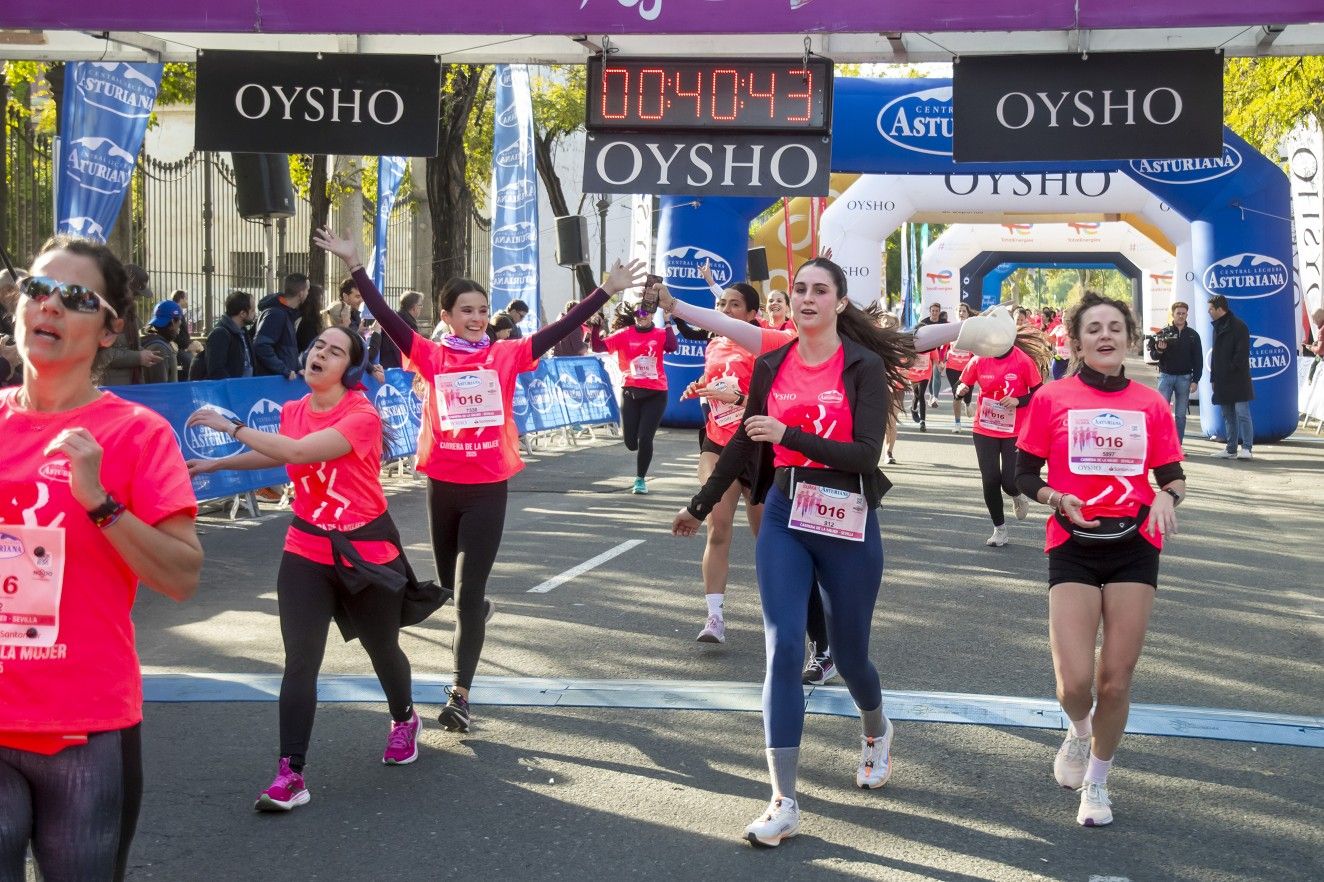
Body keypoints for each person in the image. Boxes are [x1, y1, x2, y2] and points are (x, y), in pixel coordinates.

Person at [314, 226, 645, 732]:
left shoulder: (505, 355)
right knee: (453, 590)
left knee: (467, 597)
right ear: (446, 316)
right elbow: (384, 316)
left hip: (488, 488)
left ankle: (460, 695)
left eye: (481, 309)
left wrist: (605, 290)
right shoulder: (430, 355)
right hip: (442, 486)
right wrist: (355, 264)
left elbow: (558, 330)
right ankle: (474, 612)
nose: (475, 318)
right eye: (465, 310)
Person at [671, 257, 912, 847]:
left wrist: (790, 436)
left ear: (840, 303)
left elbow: (864, 454)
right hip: (784, 511)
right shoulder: (772, 364)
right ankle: (783, 800)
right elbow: (744, 441)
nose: (807, 298)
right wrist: (700, 504)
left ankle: (876, 728)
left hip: (846, 515)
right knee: (782, 649)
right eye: (799, 288)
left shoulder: (862, 365)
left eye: (819, 290)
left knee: (850, 657)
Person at [0, 235, 201, 881]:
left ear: (110, 330)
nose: (49, 306)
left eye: (77, 298)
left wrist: (100, 502)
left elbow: (182, 575)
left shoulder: (136, 434)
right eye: (38, 288)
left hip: (85, 722)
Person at [187, 325, 443, 811]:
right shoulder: (294, 411)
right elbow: (280, 452)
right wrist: (218, 466)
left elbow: (300, 452)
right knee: (301, 662)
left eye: (335, 351)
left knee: (382, 648)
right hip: (306, 548)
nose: (320, 353)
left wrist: (230, 426)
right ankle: (290, 774)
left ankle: (404, 717)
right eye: (318, 346)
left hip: (365, 552)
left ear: (349, 368)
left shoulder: (362, 416)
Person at [1015, 289, 1186, 828]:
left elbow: (1173, 477)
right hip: (1072, 544)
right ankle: (1079, 729)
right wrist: (1055, 498)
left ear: (1130, 338)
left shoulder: (1151, 403)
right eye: (1094, 328)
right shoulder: (1052, 398)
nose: (1105, 335)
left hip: (1135, 545)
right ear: (1077, 342)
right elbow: (1022, 475)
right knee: (1074, 685)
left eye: (1115, 327)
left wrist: (1167, 496)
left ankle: (1097, 781)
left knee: (1115, 679)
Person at [675, 282, 765, 643]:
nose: (725, 310)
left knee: (767, 539)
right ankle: (714, 617)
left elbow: (773, 401)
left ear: (752, 314)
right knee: (718, 528)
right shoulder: (714, 343)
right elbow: (715, 381)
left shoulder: (764, 346)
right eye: (722, 304)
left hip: (757, 448)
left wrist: (739, 398)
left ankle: (781, 612)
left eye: (734, 305)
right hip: (717, 444)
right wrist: (699, 388)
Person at [954, 318, 1050, 547]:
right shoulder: (978, 360)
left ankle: (1016, 495)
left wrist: (1018, 400)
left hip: (1014, 430)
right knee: (990, 479)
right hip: (984, 427)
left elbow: (1039, 394)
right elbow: (962, 384)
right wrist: (961, 390)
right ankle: (1000, 530)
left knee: (1009, 481)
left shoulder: (1022, 360)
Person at [591, 290, 678, 494]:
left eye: (645, 312)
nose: (641, 316)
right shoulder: (625, 334)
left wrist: (667, 322)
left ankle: (640, 479)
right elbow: (598, 347)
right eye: (638, 313)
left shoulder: (660, 334)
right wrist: (595, 327)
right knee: (631, 442)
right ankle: (637, 447)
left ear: (652, 314)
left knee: (645, 438)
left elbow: (672, 346)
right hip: (631, 392)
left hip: (656, 393)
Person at [1206, 294, 1254, 460]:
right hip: (1222, 380)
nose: (1208, 312)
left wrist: (1230, 370)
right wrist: (1213, 378)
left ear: (1220, 309)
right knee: (1228, 416)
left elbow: (1241, 354)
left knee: (1242, 414)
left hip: (1238, 379)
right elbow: (1215, 355)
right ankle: (1231, 449)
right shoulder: (1216, 327)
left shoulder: (1239, 326)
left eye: (1211, 309)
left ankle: (1247, 448)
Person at [1147, 301, 1202, 443]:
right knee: (1162, 412)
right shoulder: (1163, 333)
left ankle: (1177, 446)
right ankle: (1162, 444)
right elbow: (1153, 356)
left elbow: (1198, 360)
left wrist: (1196, 380)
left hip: (1185, 378)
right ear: (1173, 314)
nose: (1181, 316)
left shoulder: (1193, 335)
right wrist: (1160, 350)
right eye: (1178, 313)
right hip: (1165, 377)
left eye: (1183, 313)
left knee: (1180, 415)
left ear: (1187, 315)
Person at [99, 264, 161, 386]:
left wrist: (146, 354)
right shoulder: (105, 313)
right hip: (111, 387)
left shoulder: (130, 315)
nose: (136, 299)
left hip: (131, 385)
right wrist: (138, 357)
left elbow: (129, 347)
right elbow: (102, 355)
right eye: (135, 294)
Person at [254, 273, 308, 379]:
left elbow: (286, 350)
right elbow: (261, 346)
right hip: (274, 380)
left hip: (281, 379)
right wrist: (283, 370)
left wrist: (297, 368)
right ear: (301, 294)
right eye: (307, 290)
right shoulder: (276, 314)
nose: (308, 293)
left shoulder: (286, 314)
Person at [205, 290, 256, 379]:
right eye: (253, 310)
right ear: (243, 313)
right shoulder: (220, 334)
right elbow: (216, 370)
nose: (255, 314)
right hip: (233, 387)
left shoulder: (243, 332)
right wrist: (233, 386)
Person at [945, 303, 975, 432]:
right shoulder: (951, 329)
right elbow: (944, 346)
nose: (961, 313)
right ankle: (957, 424)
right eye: (959, 311)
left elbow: (976, 348)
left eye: (964, 311)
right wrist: (941, 360)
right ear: (956, 314)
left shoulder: (971, 329)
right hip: (951, 367)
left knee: (967, 392)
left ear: (968, 314)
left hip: (968, 367)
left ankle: (968, 403)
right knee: (957, 394)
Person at [139, 300, 183, 383]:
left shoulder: (151, 342)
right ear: (173, 322)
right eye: (180, 320)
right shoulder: (160, 349)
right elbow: (160, 387)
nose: (180, 325)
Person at [379, 291, 423, 369]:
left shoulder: (396, 319)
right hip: (396, 369)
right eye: (420, 305)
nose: (421, 308)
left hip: (386, 365)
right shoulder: (407, 325)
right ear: (414, 307)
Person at [296, 284, 327, 354]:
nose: (323, 303)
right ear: (315, 301)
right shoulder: (308, 323)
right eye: (321, 299)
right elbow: (309, 348)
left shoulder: (304, 318)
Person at [1045, 307, 1072, 381]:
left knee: (1070, 382)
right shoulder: (1059, 328)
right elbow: (1049, 338)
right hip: (1059, 359)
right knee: (1058, 381)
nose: (1065, 319)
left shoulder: (1075, 330)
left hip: (1071, 361)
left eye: (1067, 317)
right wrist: (1057, 344)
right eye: (1063, 317)